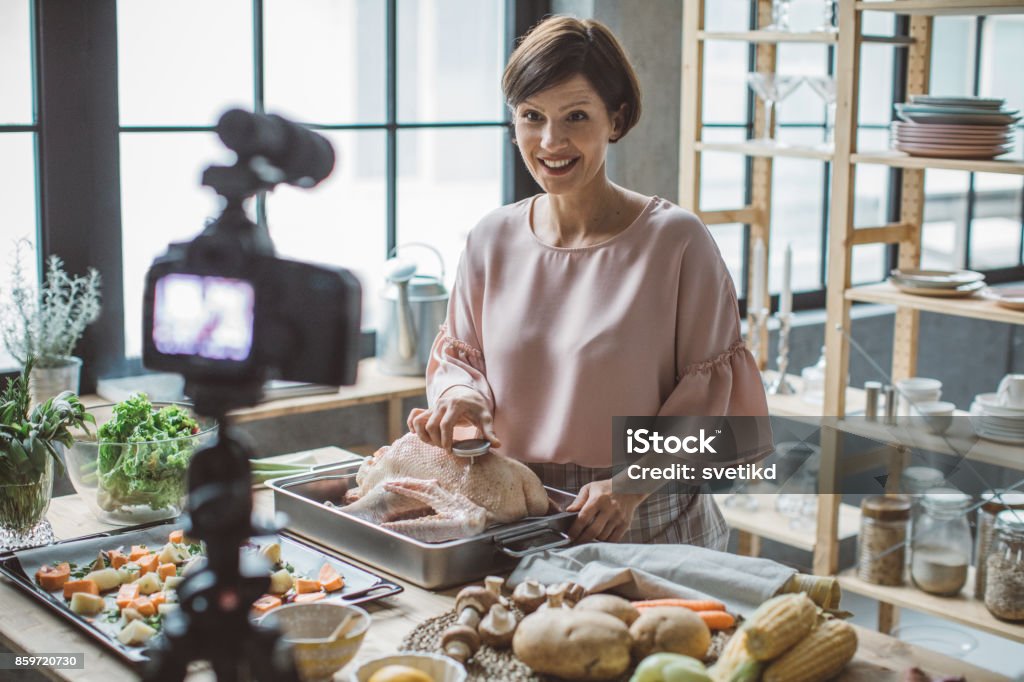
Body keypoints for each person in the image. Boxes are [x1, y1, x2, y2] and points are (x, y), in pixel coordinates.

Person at [406, 15, 768, 552]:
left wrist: (629, 487)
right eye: (532, 116)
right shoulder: (491, 238)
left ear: (615, 120)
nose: (551, 141)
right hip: (516, 507)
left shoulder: (676, 243)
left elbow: (708, 406)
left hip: (648, 516)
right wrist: (463, 402)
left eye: (576, 115)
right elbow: (463, 362)